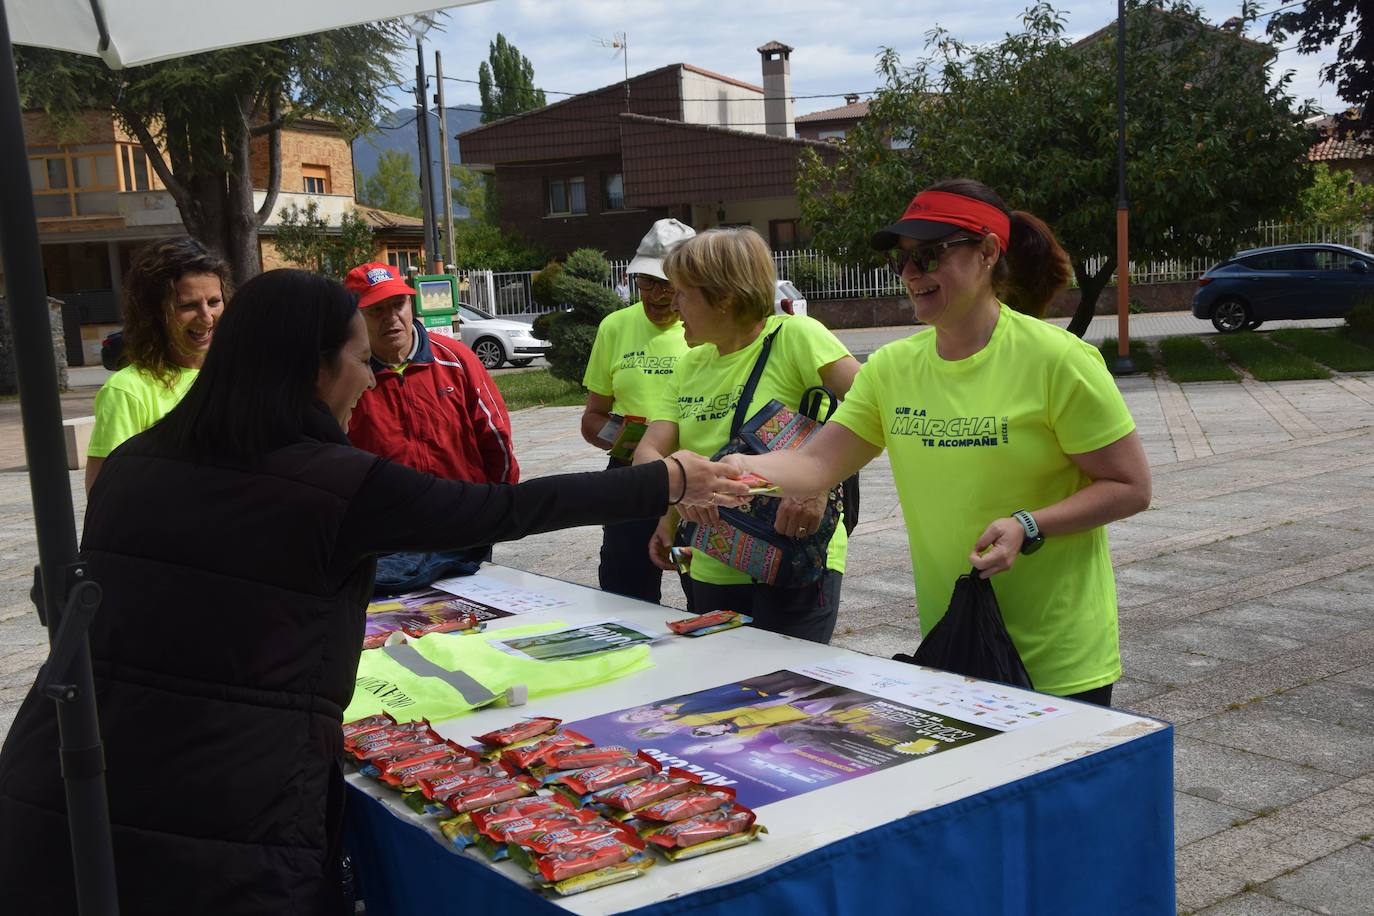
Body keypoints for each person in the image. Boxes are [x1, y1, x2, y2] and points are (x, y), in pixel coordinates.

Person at [0, 269, 748, 916]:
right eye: (359, 358)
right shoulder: (333, 485)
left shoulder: (134, 463)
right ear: (314, 368)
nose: (368, 376)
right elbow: (503, 508)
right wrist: (671, 479)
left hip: (68, 791)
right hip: (229, 823)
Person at [718, 179, 1151, 706]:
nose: (910, 274)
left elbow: (1130, 486)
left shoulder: (1058, 361)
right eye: (902, 261)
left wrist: (1029, 525)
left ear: (989, 252)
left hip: (1058, 654)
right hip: (956, 641)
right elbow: (815, 465)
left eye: (928, 256)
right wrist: (726, 469)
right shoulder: (893, 369)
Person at [635, 228, 862, 643]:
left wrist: (816, 485)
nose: (673, 302)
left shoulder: (795, 336)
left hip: (795, 555)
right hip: (707, 561)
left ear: (723, 299)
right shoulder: (690, 365)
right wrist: (672, 505)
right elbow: (648, 450)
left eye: (683, 292)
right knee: (720, 693)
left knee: (788, 696)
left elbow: (870, 403)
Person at [344, 262, 519, 587]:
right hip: (384, 542)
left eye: (398, 304)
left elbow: (495, 438)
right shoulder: (345, 375)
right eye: (376, 309)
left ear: (411, 304)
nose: (391, 317)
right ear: (353, 318)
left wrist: (492, 508)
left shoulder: (455, 360)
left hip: (461, 529)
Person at [581, 219, 696, 602]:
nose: (658, 296)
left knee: (702, 590)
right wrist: (625, 438)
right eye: (647, 282)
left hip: (695, 481)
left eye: (668, 285)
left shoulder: (707, 329)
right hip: (633, 481)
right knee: (626, 593)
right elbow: (593, 417)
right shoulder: (615, 327)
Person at [85, 238, 231, 491]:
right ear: (153, 311)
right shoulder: (128, 390)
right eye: (188, 305)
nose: (206, 317)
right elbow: (106, 497)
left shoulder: (237, 374)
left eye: (214, 302)